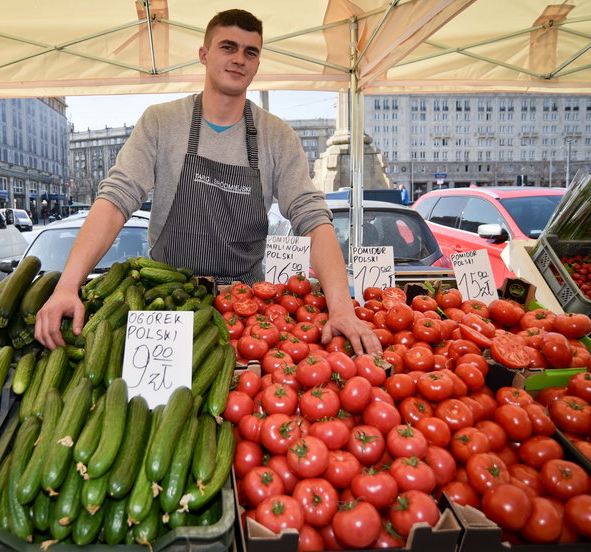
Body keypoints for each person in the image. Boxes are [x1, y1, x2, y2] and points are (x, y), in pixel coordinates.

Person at [35, 9, 381, 357]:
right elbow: (115, 201)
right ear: (204, 54)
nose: (239, 59)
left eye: (251, 52)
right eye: (228, 47)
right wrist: (68, 285)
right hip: (167, 299)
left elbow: (312, 218)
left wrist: (340, 308)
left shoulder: (277, 136)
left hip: (246, 309)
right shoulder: (161, 122)